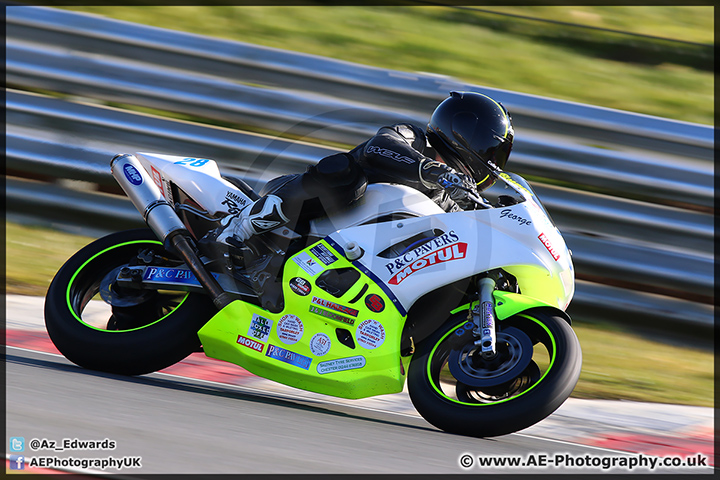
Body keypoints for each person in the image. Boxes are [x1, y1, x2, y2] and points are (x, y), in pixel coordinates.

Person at [213, 90, 514, 251]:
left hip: (349, 253)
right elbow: (380, 146)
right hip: (303, 206)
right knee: (348, 179)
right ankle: (241, 227)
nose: (494, 159)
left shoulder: (450, 199)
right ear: (472, 137)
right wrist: (433, 171)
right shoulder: (413, 138)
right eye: (493, 150)